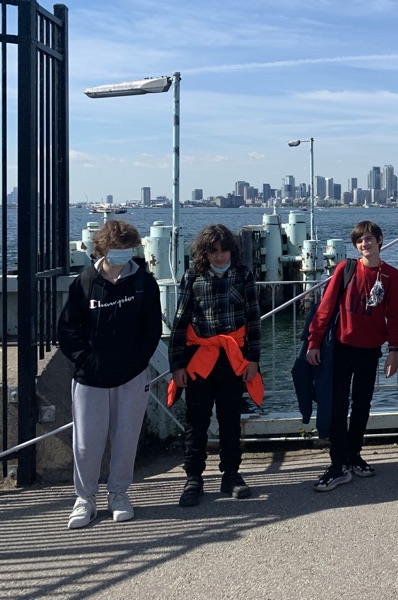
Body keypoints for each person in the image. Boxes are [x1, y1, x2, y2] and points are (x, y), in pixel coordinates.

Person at [58, 220, 163, 529]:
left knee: (126, 438)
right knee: (87, 442)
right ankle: (85, 498)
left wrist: (136, 361)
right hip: (90, 378)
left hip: (132, 376)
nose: (123, 254)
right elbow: (68, 330)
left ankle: (119, 494)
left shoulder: (144, 283)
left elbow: (151, 329)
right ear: (103, 249)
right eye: (117, 249)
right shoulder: (85, 282)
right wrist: (87, 360)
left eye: (128, 249)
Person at [305, 221, 398, 490]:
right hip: (341, 348)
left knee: (362, 404)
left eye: (369, 238)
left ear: (380, 240)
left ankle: (354, 454)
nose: (364, 244)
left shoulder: (392, 276)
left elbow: (395, 318)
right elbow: (325, 307)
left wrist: (393, 351)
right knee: (337, 405)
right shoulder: (345, 269)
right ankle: (338, 463)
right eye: (359, 240)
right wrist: (314, 342)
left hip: (370, 350)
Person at [170, 224, 262, 507]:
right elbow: (181, 320)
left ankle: (231, 473)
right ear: (204, 252)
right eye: (213, 251)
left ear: (233, 251)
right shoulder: (192, 276)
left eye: (224, 250)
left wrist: (254, 360)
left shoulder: (243, 275)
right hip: (201, 356)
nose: (220, 256)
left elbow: (254, 320)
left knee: (230, 417)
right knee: (196, 420)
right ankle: (193, 478)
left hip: (233, 357)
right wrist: (178, 364)